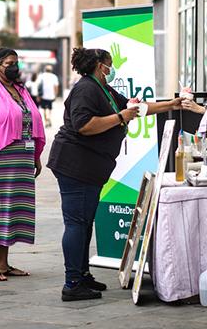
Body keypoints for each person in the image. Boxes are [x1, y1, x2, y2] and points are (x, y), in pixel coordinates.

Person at [47, 47, 183, 301]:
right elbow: (84, 125)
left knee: (86, 222)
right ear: (100, 65)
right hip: (75, 165)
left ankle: (82, 274)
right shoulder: (86, 89)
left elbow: (137, 108)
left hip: (91, 166)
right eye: (109, 64)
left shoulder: (104, 90)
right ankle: (72, 283)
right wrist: (120, 117)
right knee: (76, 223)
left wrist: (170, 105)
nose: (112, 69)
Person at [0, 48, 46, 282]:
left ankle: (3, 264)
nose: (15, 67)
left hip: (21, 159)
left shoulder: (21, 90)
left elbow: (31, 121)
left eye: (16, 62)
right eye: (10, 63)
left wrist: (35, 156)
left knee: (11, 210)